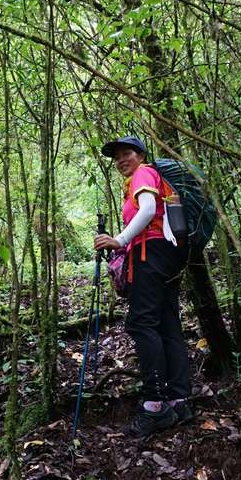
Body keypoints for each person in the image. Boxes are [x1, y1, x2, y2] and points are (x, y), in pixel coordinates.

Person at [94, 136, 192, 437]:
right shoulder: (142, 178)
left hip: (151, 255)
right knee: (166, 325)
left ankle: (154, 406)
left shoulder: (143, 174)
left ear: (141, 155)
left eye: (127, 153)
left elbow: (148, 210)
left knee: (141, 324)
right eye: (117, 157)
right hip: (165, 255)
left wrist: (120, 240)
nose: (122, 160)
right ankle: (178, 400)